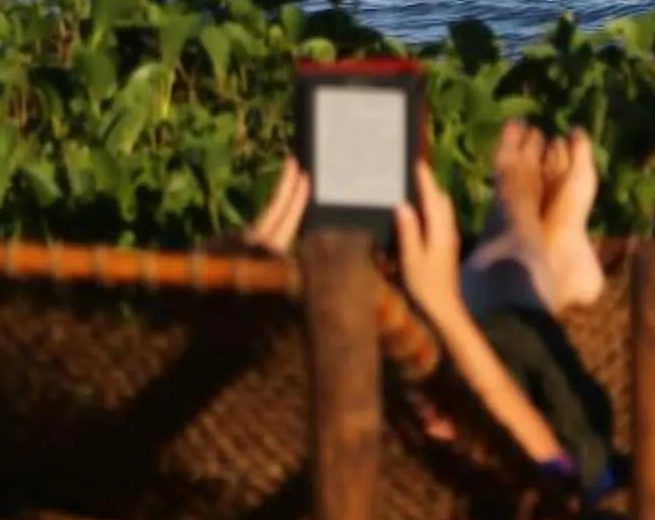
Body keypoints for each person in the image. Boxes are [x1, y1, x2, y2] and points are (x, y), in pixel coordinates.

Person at [237, 120, 623, 494]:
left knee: (508, 302)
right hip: (500, 419)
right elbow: (563, 475)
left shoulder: (228, 451)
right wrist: (443, 306)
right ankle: (532, 233)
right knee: (513, 311)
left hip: (406, 391)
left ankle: (534, 242)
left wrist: (240, 287)